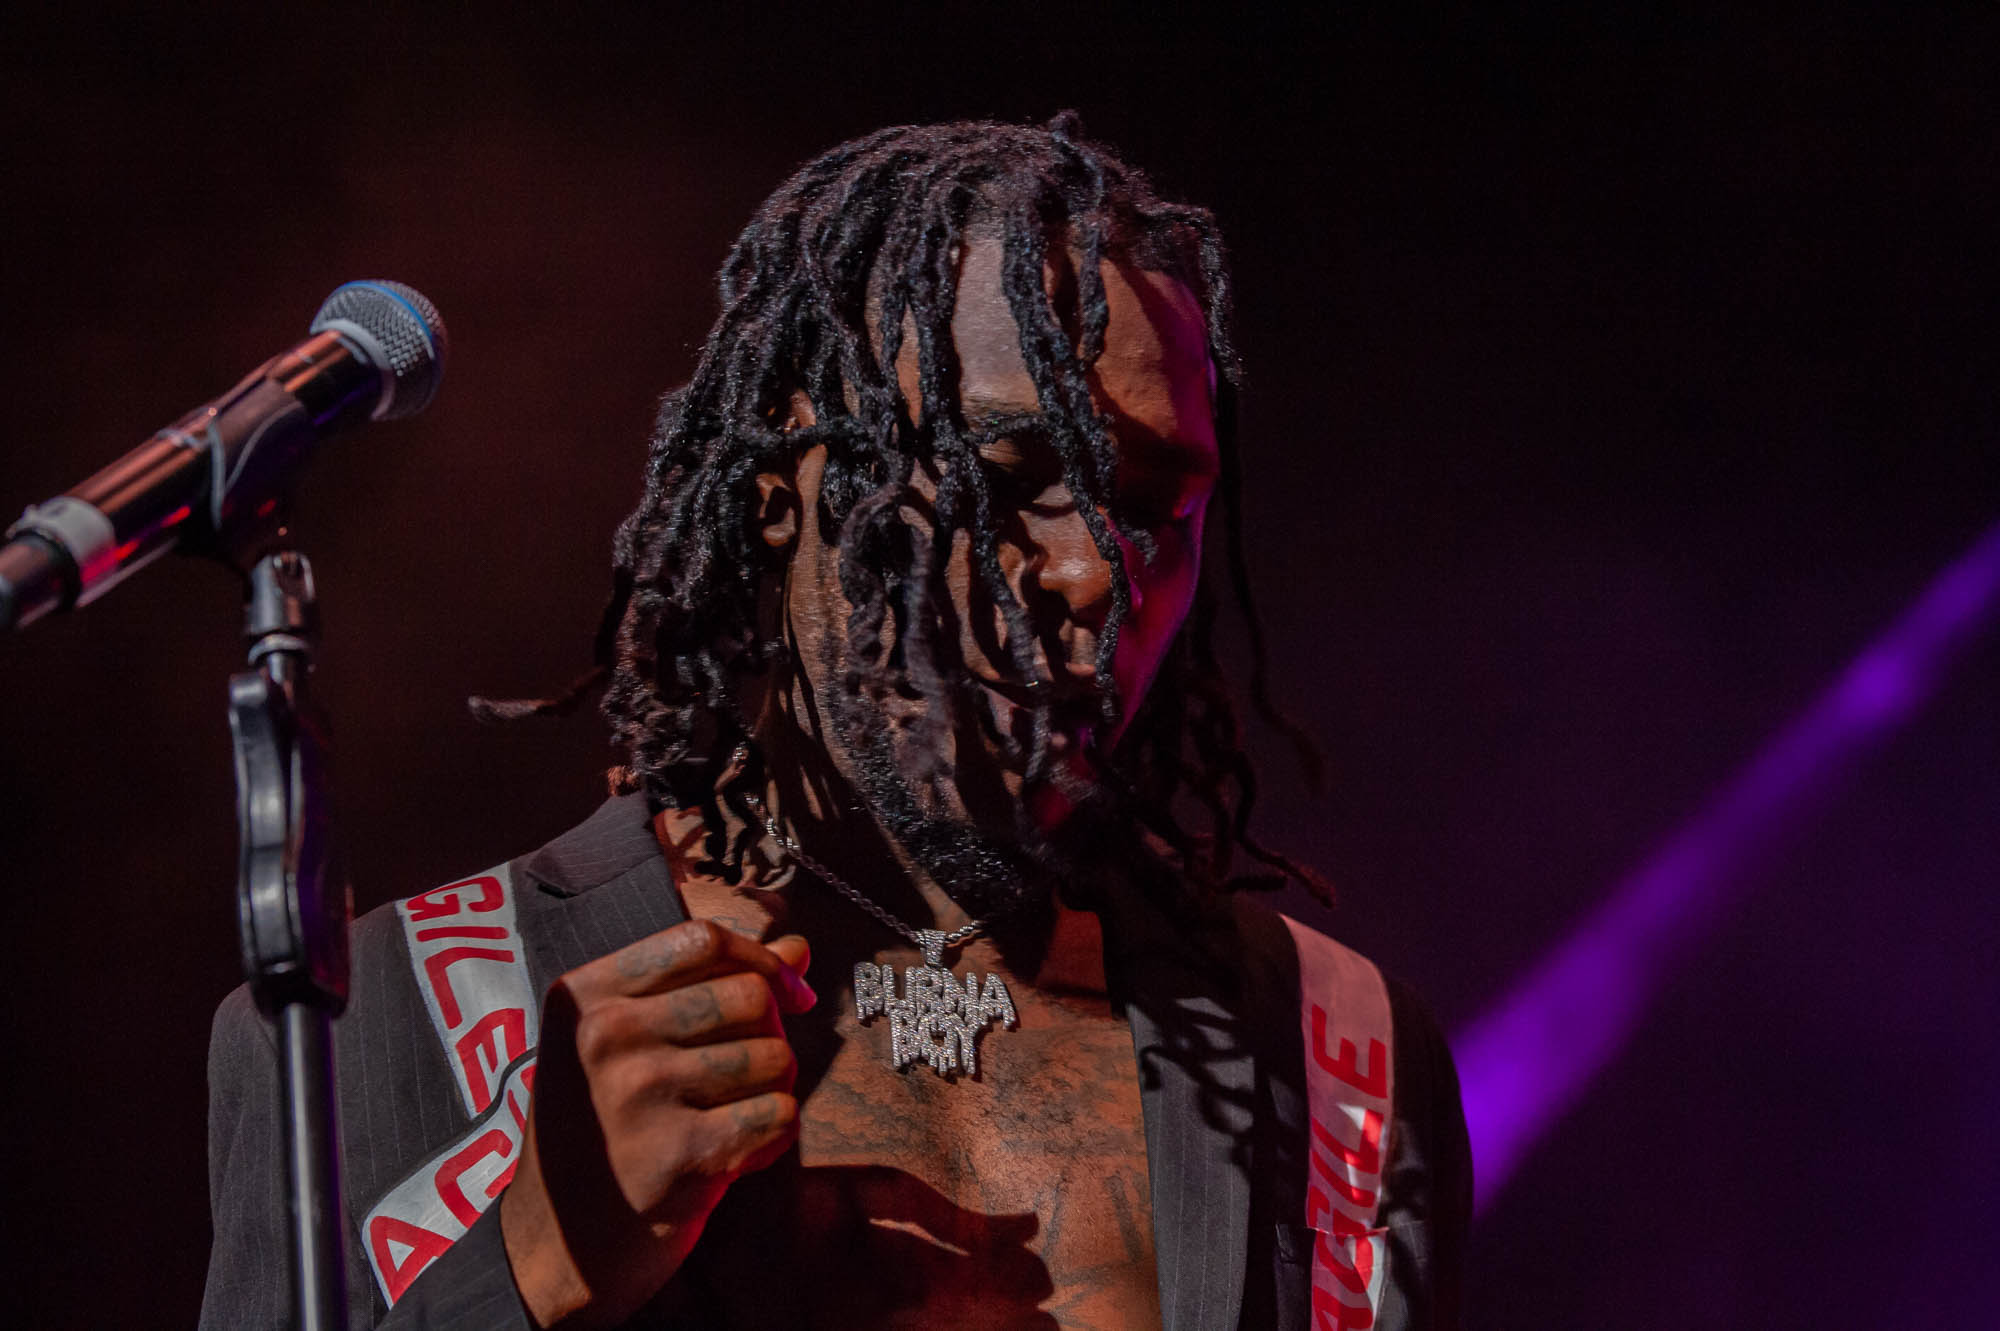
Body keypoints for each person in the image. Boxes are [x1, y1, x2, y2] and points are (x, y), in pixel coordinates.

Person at [201, 114, 1471, 1330]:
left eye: (1149, 510)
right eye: (1009, 478)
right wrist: (529, 1260)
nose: (1096, 573)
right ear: (777, 498)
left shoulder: (1333, 1052)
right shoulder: (384, 1014)